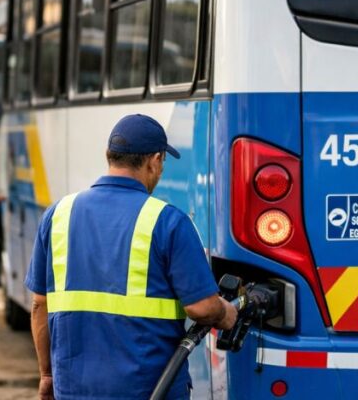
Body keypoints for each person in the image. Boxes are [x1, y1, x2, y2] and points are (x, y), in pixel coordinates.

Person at [25, 114, 238, 400]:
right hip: (150, 389)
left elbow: (40, 305)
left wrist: (48, 375)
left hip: (74, 389)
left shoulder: (58, 215)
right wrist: (227, 313)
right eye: (162, 163)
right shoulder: (168, 221)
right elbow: (202, 308)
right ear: (154, 160)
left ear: (109, 156)